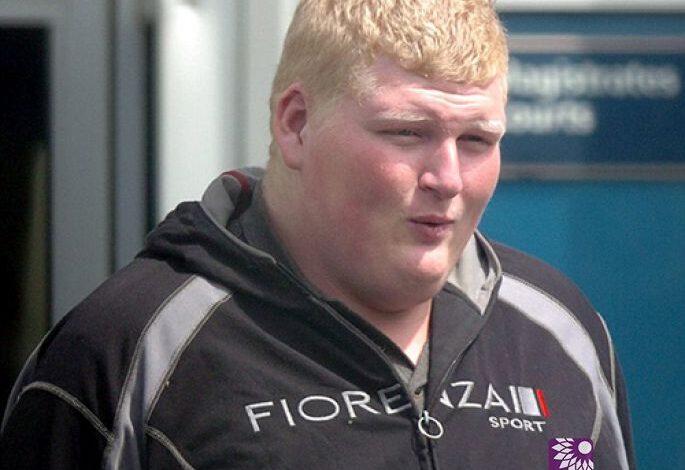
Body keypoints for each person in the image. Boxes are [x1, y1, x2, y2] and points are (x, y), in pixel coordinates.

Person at [1, 0, 635, 468]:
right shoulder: (128, 352)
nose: (447, 178)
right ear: (297, 124)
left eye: (477, 140)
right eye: (406, 132)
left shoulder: (560, 335)